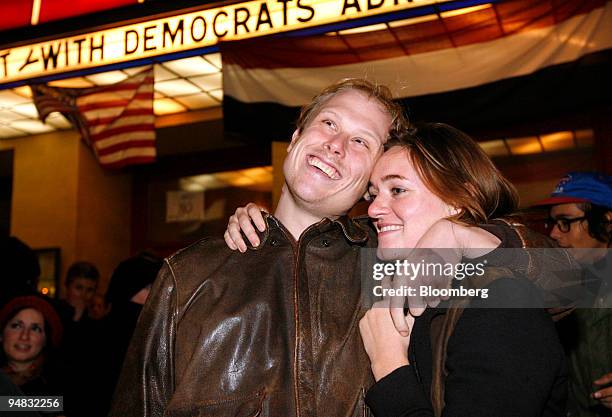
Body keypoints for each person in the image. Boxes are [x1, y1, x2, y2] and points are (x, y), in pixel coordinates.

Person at [226, 123, 576, 416]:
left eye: (398, 189)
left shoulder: (498, 300)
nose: (377, 208)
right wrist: (263, 228)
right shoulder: (384, 270)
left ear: (458, 198)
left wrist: (389, 365)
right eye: (373, 193)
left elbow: (578, 279)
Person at [109, 78, 407, 416]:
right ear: (295, 138)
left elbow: (480, 279)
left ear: (372, 181)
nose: (336, 145)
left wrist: (458, 235)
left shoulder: (393, 265)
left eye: (359, 141)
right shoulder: (188, 273)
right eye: (328, 123)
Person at [533, 172, 612, 417]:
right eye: (553, 223)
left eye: (566, 221)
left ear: (607, 221)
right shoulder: (560, 284)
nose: (555, 234)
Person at [0, 296, 64, 405]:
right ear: (1, 335)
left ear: (45, 341)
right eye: (16, 326)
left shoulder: (55, 387)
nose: (24, 336)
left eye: (35, 329)